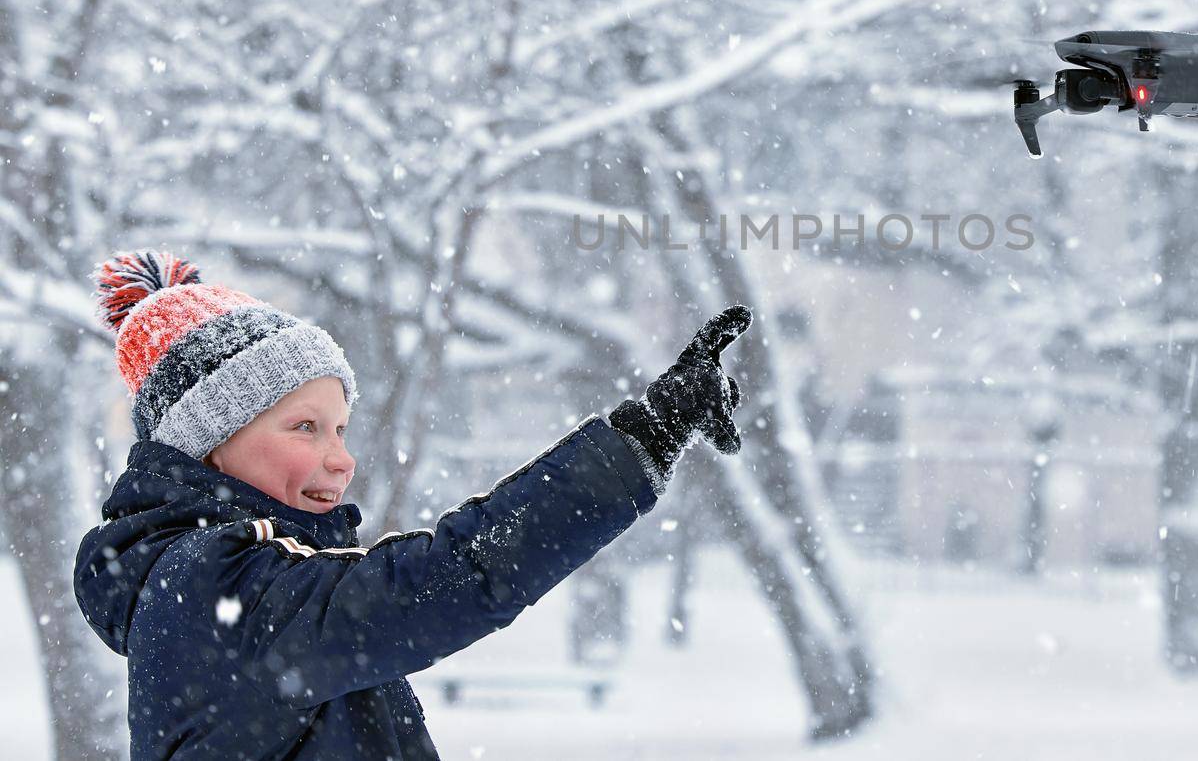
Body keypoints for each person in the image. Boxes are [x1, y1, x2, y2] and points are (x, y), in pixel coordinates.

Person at [74, 250, 751, 760]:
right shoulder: (214, 584)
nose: (341, 458)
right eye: (304, 427)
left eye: (340, 429)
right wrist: (642, 440)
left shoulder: (242, 580)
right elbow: (448, 578)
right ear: (212, 446)